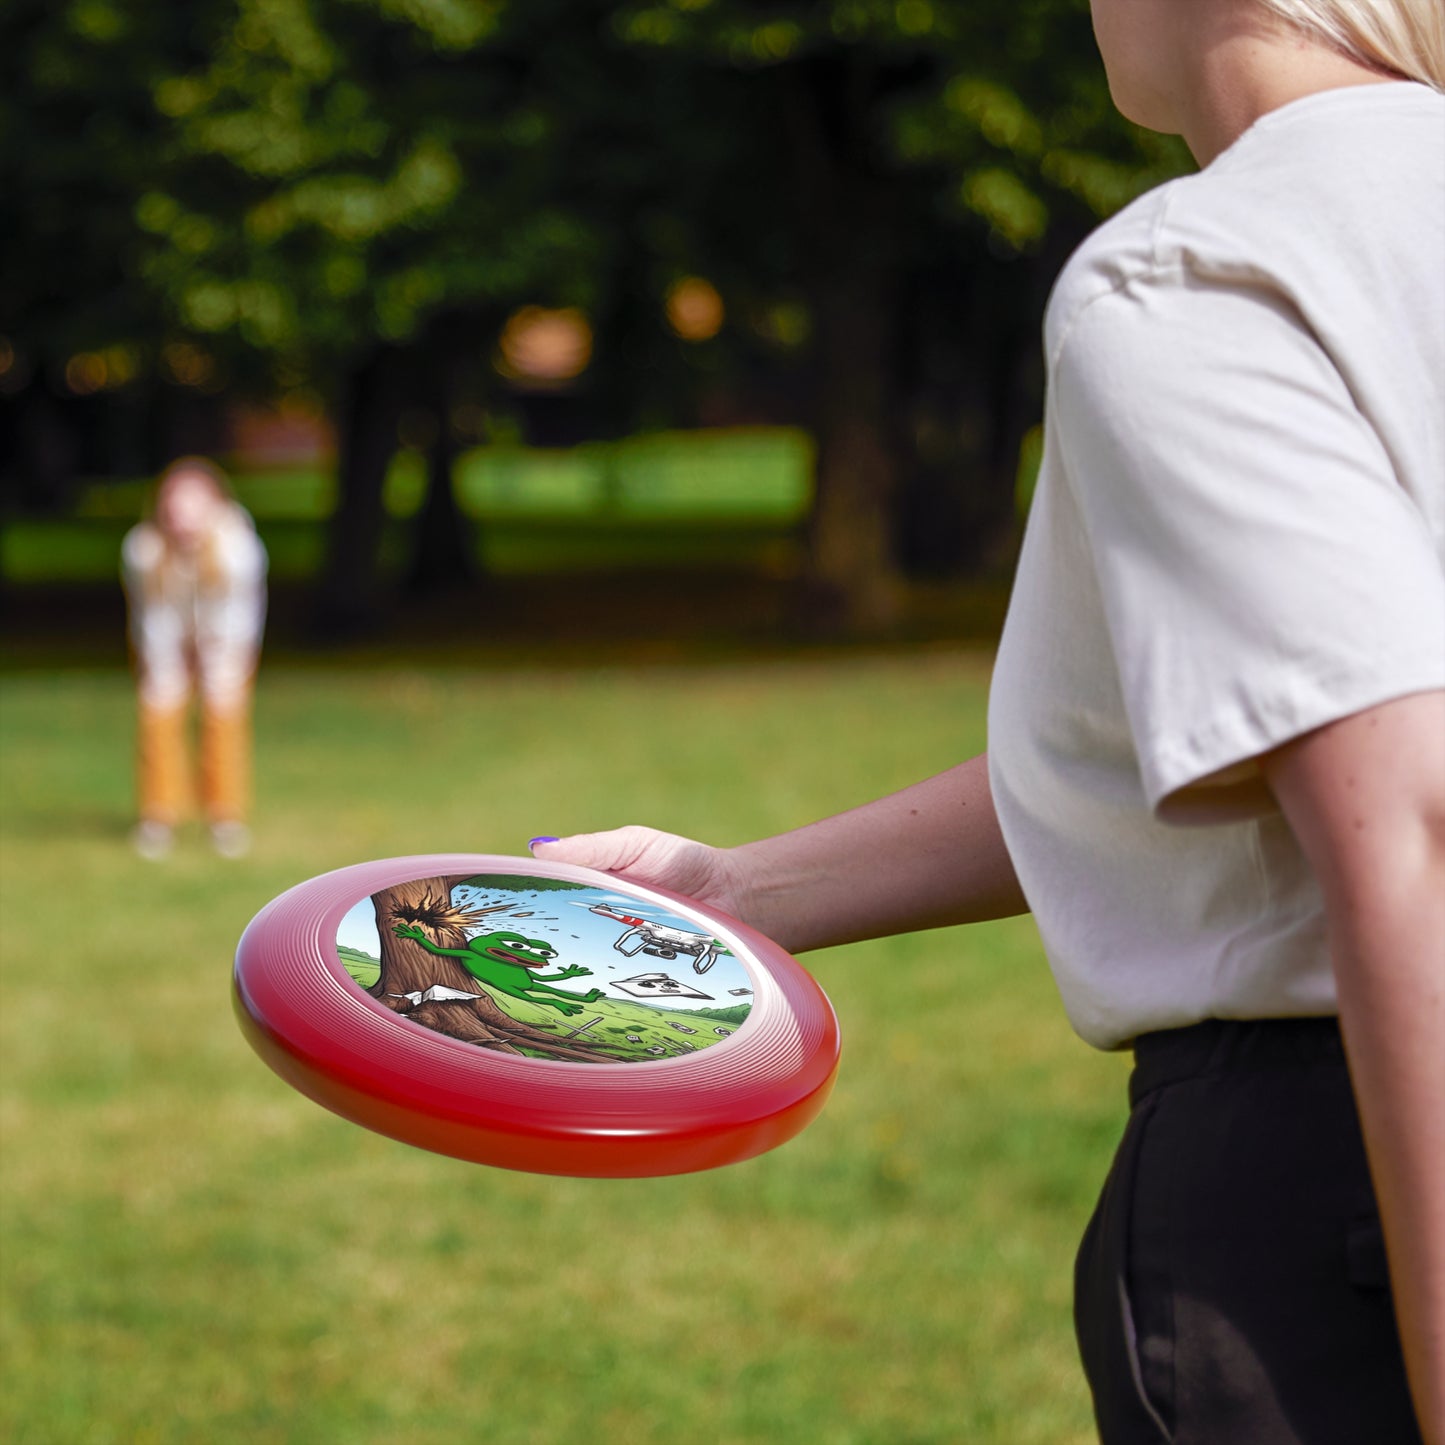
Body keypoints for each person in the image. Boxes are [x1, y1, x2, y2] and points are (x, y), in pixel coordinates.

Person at [529, 2, 1445, 1440]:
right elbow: (1216, 742)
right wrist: (737, 890)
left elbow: (1408, 822)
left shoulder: (1204, 270)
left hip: (1341, 1193)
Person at [121, 457, 268, 859]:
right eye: (174, 506)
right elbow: (152, 616)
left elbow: (239, 615)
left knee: (223, 717)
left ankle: (225, 817)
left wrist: (215, 659)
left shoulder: (239, 548)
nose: (182, 517)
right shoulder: (143, 549)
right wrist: (168, 664)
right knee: (158, 713)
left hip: (226, 641)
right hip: (165, 640)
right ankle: (158, 816)